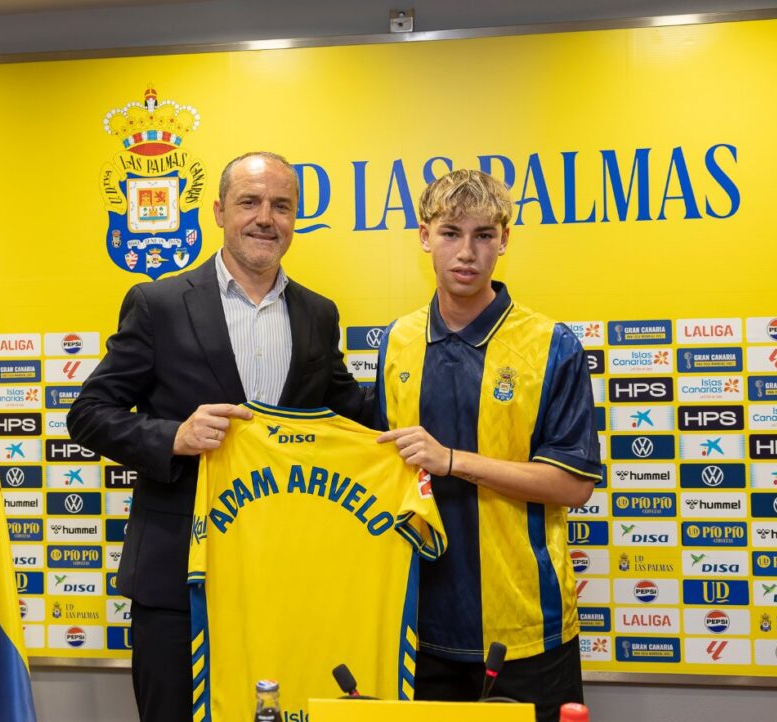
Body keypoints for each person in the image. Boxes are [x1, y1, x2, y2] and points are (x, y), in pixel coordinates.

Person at [66, 151, 371, 722]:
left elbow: (349, 414)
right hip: (177, 579)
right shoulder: (157, 304)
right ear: (218, 211)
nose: (266, 218)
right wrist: (172, 436)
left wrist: (423, 388)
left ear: (295, 219)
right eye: (250, 202)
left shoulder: (318, 314)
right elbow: (88, 413)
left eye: (281, 206)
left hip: (282, 573)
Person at [375, 169, 601, 722]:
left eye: (483, 235)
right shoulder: (397, 341)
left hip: (524, 630)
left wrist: (452, 460)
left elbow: (573, 485)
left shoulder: (551, 345)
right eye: (451, 232)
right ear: (424, 236)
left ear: (505, 240)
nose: (467, 253)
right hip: (417, 627)